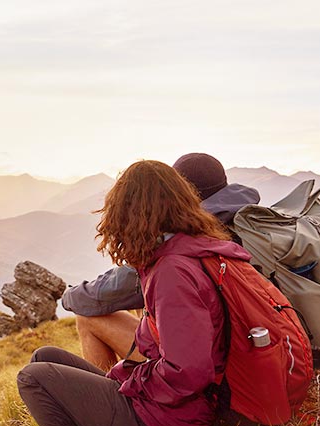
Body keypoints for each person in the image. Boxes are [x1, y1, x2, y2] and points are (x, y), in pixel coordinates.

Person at [14, 159, 257, 426]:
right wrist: (124, 377)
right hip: (173, 417)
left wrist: (131, 385)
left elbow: (189, 372)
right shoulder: (188, 251)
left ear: (134, 214)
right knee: (44, 356)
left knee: (32, 379)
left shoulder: (173, 272)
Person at [60, 153, 259, 371]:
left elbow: (110, 290)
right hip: (256, 345)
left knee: (86, 318)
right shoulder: (248, 221)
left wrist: (67, 297)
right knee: (142, 303)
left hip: (218, 362)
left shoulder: (179, 244)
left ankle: (107, 400)